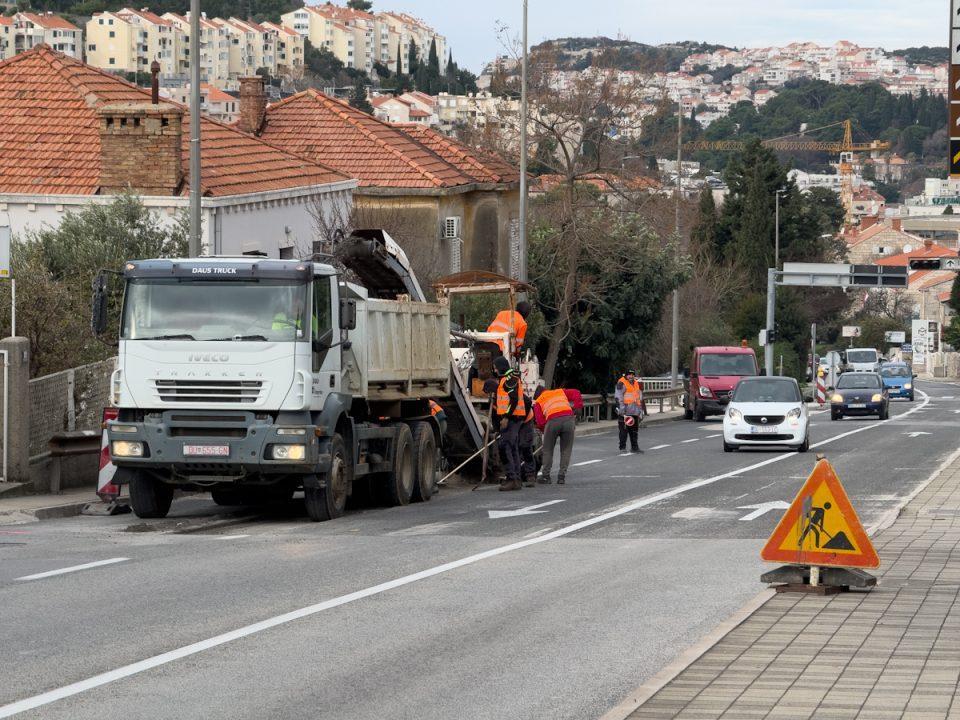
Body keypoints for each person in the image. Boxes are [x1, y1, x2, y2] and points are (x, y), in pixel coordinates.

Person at [534, 385, 583, 485]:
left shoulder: (538, 401)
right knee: (566, 449)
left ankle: (546, 476)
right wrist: (578, 407)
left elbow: (540, 422)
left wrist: (545, 431)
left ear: (537, 395)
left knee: (547, 449)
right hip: (569, 419)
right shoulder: (559, 392)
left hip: (552, 421)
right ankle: (561, 477)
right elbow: (576, 392)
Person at [493, 356, 525, 492]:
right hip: (514, 418)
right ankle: (515, 479)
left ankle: (512, 478)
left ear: (500, 367)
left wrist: (506, 417)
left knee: (504, 446)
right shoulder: (507, 378)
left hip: (512, 418)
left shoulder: (509, 379)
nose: (494, 370)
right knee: (512, 447)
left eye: (495, 367)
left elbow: (513, 400)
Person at [616, 370, 644, 454]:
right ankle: (622, 448)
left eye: (632, 375)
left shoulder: (635, 383)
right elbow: (618, 397)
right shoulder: (621, 383)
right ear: (626, 375)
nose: (631, 376)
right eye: (629, 375)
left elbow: (638, 398)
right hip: (625, 412)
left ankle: (635, 447)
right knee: (624, 431)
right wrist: (621, 410)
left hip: (634, 411)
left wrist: (640, 410)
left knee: (634, 431)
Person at [518, 392, 538, 487]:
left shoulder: (512, 389)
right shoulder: (495, 397)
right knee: (514, 448)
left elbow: (528, 401)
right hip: (513, 422)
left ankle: (530, 475)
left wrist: (522, 418)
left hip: (525, 421)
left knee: (525, 446)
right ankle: (516, 476)